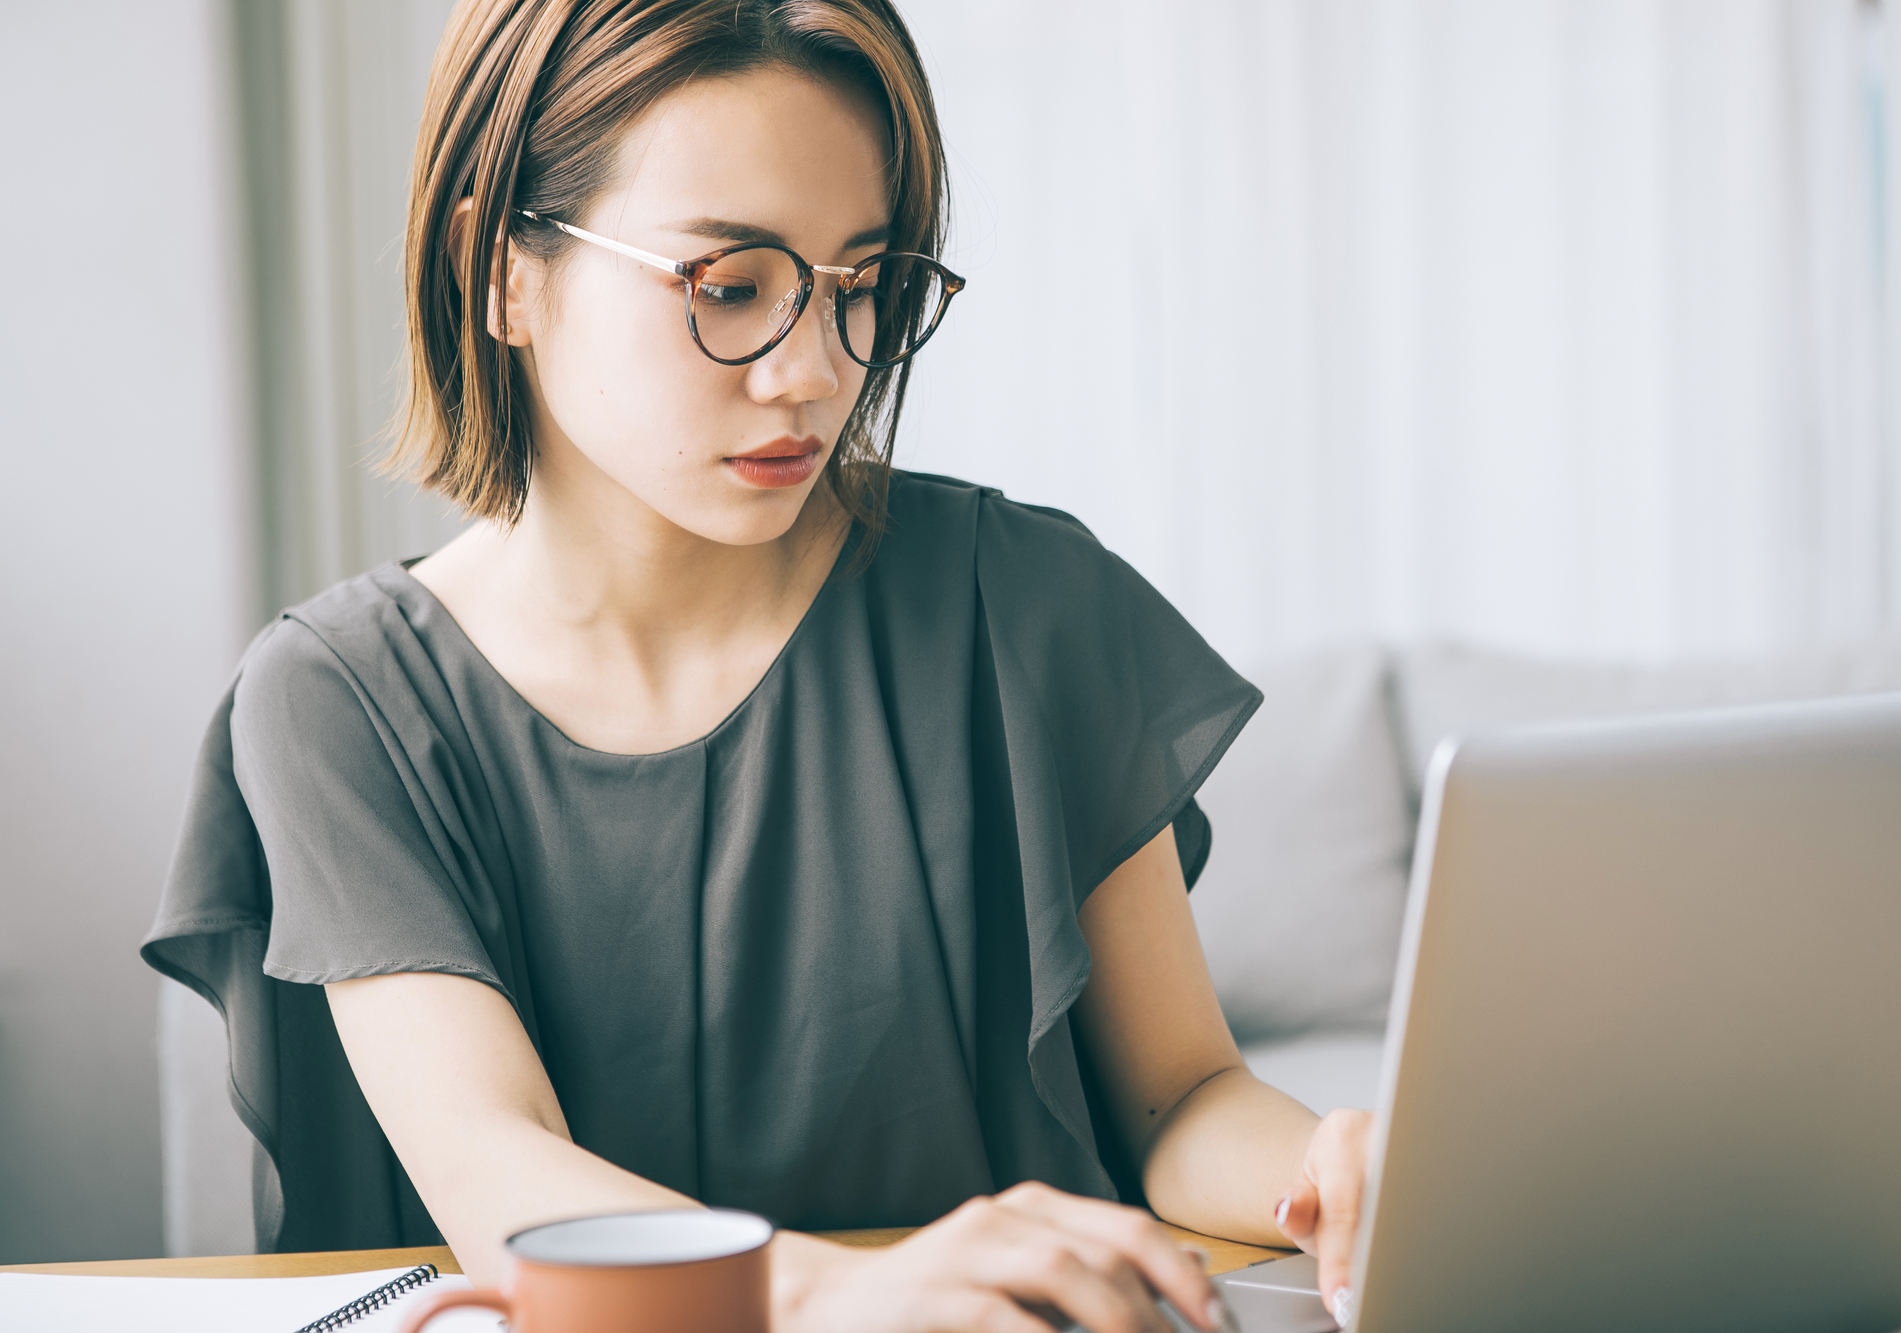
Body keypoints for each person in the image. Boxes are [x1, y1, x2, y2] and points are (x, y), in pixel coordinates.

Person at [142, 2, 1369, 1328]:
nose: (812, 371)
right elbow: (499, 1173)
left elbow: (1179, 1097)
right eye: (730, 286)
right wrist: (853, 1291)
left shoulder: (1021, 602)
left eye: (863, 287)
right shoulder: (341, 702)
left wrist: (1327, 1167)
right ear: (502, 268)